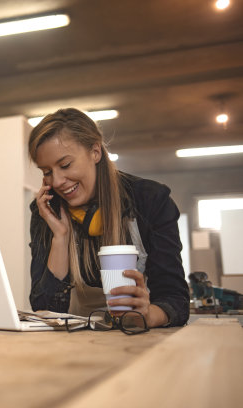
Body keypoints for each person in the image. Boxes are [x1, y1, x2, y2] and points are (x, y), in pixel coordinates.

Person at [28, 108, 189, 327]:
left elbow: (176, 302)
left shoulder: (150, 201)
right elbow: (44, 310)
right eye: (46, 171)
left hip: (143, 342)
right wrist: (60, 237)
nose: (56, 182)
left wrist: (148, 314)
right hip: (76, 347)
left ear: (95, 152)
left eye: (65, 165)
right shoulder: (47, 211)